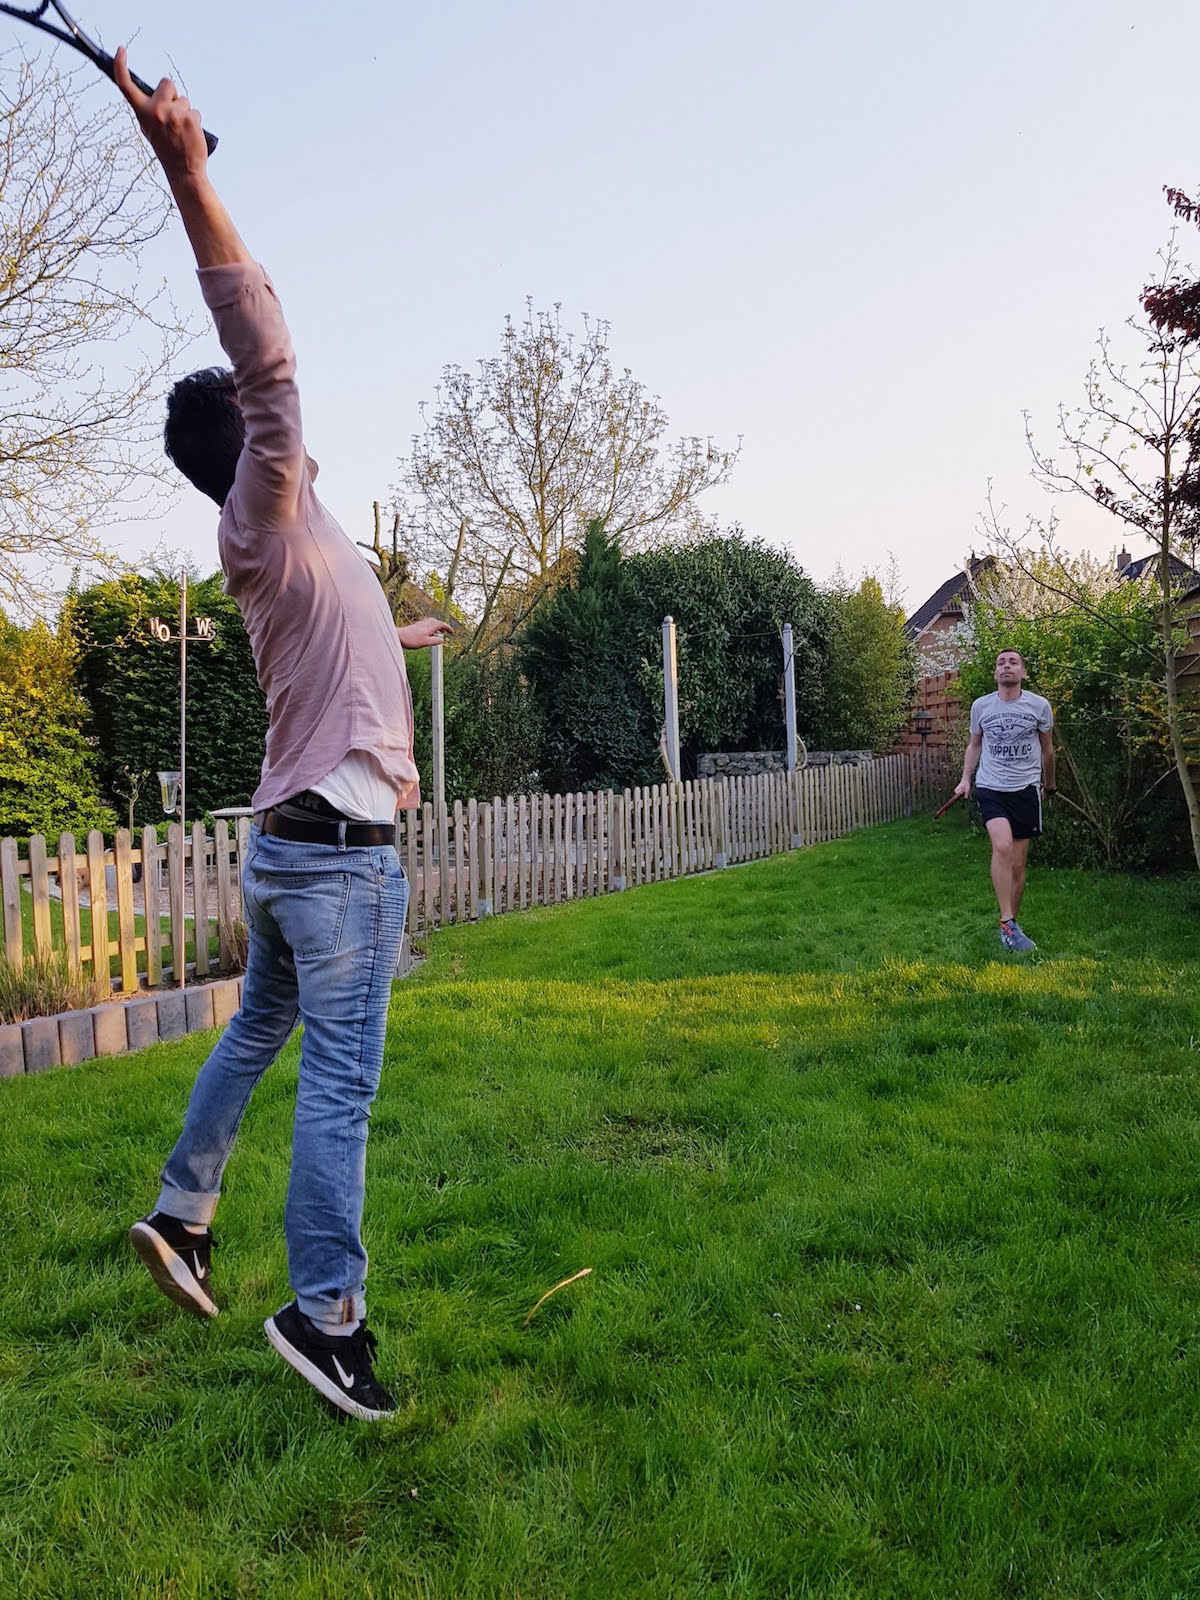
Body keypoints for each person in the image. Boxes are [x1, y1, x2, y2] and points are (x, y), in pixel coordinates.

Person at [115, 53, 452, 1421]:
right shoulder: (262, 498)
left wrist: (409, 644)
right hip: (336, 853)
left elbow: (341, 647)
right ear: (243, 445)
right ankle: (327, 1320)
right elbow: (268, 346)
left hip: (284, 841)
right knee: (343, 1081)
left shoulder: (297, 542)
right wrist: (191, 176)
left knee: (258, 1028)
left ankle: (183, 1214)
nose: (284, 420)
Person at [953, 648, 1055, 953]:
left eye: (1013, 662)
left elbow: (1048, 750)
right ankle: (1008, 922)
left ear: (1023, 673)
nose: (1006, 666)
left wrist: (1049, 786)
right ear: (996, 673)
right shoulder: (981, 706)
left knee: (1018, 865)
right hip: (991, 787)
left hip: (1025, 789)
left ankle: (1010, 926)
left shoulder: (1039, 706)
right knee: (1002, 847)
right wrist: (965, 779)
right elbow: (974, 745)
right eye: (1001, 663)